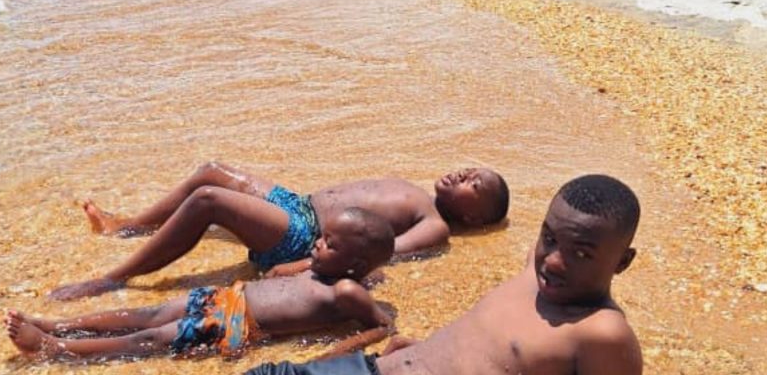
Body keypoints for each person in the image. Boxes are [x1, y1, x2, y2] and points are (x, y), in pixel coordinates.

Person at [245, 174, 643, 375]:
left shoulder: (601, 332)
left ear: (622, 262)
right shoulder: (535, 272)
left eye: (582, 253)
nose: (555, 260)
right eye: (549, 238)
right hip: (370, 368)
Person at [50, 162, 508, 300]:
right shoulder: (420, 194)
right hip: (298, 203)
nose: (461, 175)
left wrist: (301, 265)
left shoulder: (433, 226)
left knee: (208, 203)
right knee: (209, 172)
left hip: (303, 234)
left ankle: (115, 276)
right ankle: (128, 227)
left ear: (475, 219)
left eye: (474, 184)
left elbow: (374, 258)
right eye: (466, 170)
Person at [6, 208, 396, 361]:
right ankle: (57, 325)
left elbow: (381, 326)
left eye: (330, 243)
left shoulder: (346, 291)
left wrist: (334, 354)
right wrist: (295, 266)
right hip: (227, 298)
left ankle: (54, 349)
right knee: (146, 314)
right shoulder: (325, 269)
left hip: (238, 323)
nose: (317, 242)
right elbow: (281, 277)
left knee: (154, 338)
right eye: (322, 235)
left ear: (354, 264)